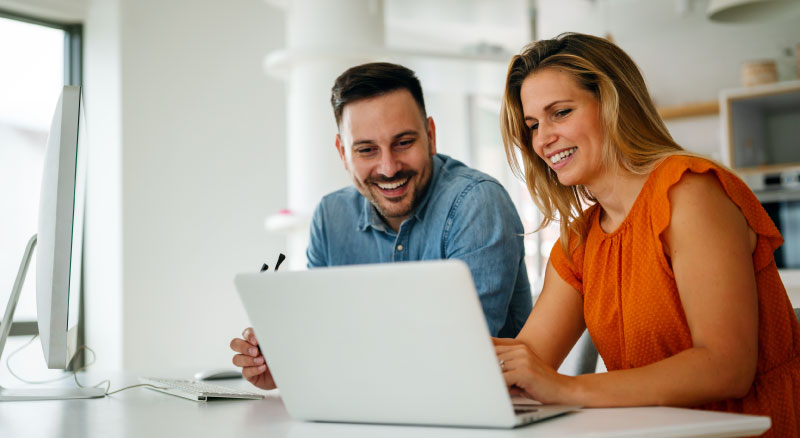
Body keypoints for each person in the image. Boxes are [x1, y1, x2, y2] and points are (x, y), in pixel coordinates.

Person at [494, 32, 800, 437]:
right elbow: (527, 359)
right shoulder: (580, 242)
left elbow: (728, 367)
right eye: (533, 125)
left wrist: (568, 388)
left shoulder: (689, 193)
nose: (543, 139)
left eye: (561, 112)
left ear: (614, 105)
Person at [231, 62, 533, 390]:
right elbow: (321, 336)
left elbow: (462, 358)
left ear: (430, 137)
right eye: (366, 150)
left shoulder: (477, 204)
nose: (388, 168)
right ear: (343, 152)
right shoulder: (331, 217)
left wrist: (325, 358)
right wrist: (287, 364)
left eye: (403, 142)